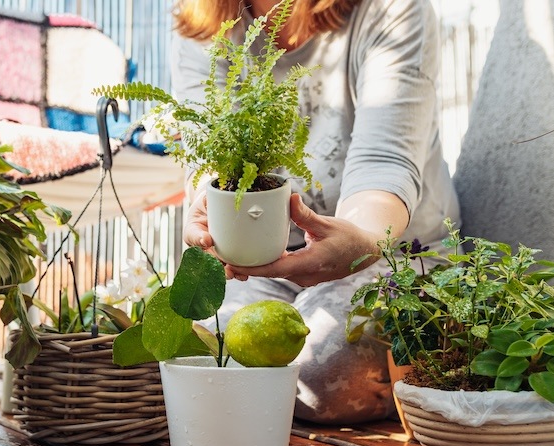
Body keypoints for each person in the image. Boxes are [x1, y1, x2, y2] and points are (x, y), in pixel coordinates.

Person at [172, 0, 461, 424]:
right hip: (260, 262)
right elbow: (207, 149)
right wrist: (209, 202)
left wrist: (361, 239)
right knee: (198, 356)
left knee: (321, 374)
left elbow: (385, 160)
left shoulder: (391, 9)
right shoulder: (203, 18)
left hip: (392, 253)